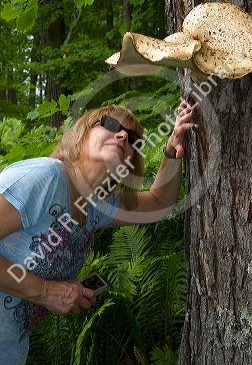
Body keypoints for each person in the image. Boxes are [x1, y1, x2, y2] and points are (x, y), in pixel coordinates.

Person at [0, 99, 197, 364]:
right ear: (81, 134)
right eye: (111, 124)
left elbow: (159, 203)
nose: (123, 135)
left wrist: (172, 148)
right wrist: (46, 291)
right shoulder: (45, 177)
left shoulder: (95, 205)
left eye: (133, 139)